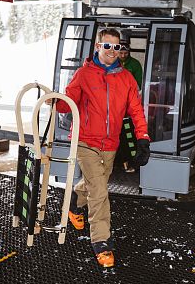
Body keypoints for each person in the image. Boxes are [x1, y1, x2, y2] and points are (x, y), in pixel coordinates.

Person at [48, 28, 150, 268]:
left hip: (110, 143)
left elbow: (136, 110)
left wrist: (143, 137)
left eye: (116, 47)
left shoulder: (126, 79)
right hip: (84, 141)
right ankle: (101, 242)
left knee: (96, 184)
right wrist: (56, 101)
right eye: (107, 46)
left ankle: (74, 199)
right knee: (100, 192)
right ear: (97, 47)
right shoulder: (84, 74)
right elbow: (68, 104)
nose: (112, 51)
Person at [117, 41, 144, 172]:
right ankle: (120, 161)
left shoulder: (134, 65)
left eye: (125, 53)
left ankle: (132, 162)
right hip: (113, 107)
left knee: (128, 136)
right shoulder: (111, 63)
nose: (122, 55)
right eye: (120, 52)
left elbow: (138, 87)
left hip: (127, 108)